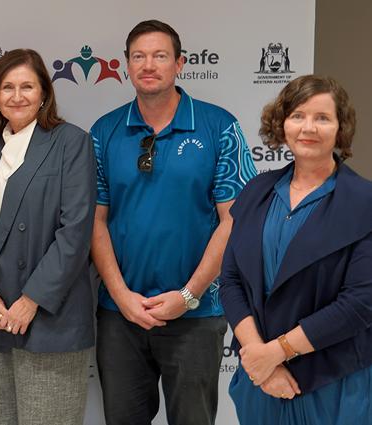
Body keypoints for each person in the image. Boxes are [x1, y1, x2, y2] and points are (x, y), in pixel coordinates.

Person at [90, 19, 258, 425]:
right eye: (139, 57)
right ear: (127, 65)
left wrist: (188, 294)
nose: (149, 65)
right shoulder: (104, 131)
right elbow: (94, 222)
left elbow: (234, 220)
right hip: (121, 315)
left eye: (160, 56)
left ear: (180, 63)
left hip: (196, 315)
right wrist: (121, 295)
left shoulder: (219, 127)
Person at [220, 75, 372, 424]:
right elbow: (230, 281)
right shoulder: (256, 191)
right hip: (260, 382)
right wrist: (259, 358)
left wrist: (276, 353)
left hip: (332, 381)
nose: (309, 127)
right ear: (282, 122)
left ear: (340, 129)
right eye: (298, 115)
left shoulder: (364, 202)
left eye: (322, 118)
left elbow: (360, 304)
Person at [0, 48, 95, 425]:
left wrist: (32, 299)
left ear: (44, 93)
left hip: (50, 320)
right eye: (7, 87)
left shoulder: (70, 142)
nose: (17, 95)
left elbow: (75, 231)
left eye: (27, 86)